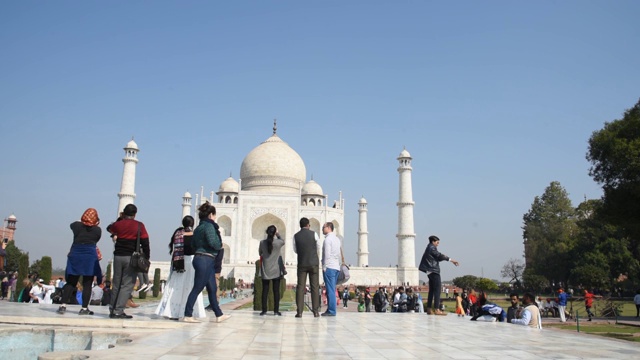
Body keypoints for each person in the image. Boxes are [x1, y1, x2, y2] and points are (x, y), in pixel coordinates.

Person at [183, 202, 229, 323]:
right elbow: (213, 242)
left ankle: (219, 314)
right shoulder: (209, 226)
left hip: (202, 259)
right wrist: (219, 246)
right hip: (205, 260)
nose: (215, 217)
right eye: (214, 215)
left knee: (212, 288)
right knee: (197, 288)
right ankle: (187, 314)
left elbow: (193, 244)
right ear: (210, 215)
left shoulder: (198, 227)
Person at [156, 216, 206, 320]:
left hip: (179, 262)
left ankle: (172, 312)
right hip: (191, 262)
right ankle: (189, 312)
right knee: (191, 287)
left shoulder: (178, 234)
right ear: (193, 224)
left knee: (176, 287)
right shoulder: (196, 235)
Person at [57, 208, 103, 315]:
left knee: (71, 282)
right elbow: (96, 239)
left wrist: (83, 220)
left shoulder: (77, 227)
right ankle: (84, 308)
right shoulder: (97, 230)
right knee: (87, 284)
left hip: (76, 254)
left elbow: (73, 223)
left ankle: (63, 305)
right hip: (89, 256)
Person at [107, 204, 149, 319]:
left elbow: (109, 228)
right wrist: (146, 257)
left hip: (117, 256)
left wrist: (119, 223)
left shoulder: (118, 224)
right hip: (131, 257)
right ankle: (118, 310)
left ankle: (112, 309)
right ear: (135, 214)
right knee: (127, 285)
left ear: (124, 213)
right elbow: (145, 242)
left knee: (116, 283)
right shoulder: (139, 226)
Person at [418, 235, 459, 315]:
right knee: (437, 290)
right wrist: (451, 260)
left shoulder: (429, 248)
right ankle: (437, 309)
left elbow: (438, 258)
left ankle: (429, 309)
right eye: (437, 242)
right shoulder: (432, 248)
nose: (438, 244)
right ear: (433, 241)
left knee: (432, 290)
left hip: (429, 271)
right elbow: (439, 255)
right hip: (433, 270)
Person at [293, 217, 320, 318]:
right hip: (313, 263)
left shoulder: (296, 236)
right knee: (314, 287)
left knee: (300, 287)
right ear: (308, 225)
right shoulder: (314, 234)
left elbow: (295, 249)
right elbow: (318, 246)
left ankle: (299, 312)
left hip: (302, 264)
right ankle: (316, 311)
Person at [258, 225, 285, 316]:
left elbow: (260, 253)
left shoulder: (262, 242)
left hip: (266, 269)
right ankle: (276, 311)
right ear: (274, 233)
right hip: (276, 269)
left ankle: (264, 311)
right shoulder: (278, 243)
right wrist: (277, 233)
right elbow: (283, 241)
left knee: (265, 290)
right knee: (276, 291)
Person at [321, 222, 341, 317]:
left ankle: (332, 311)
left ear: (329, 228)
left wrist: (324, 267)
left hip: (330, 267)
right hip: (336, 267)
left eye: (323, 227)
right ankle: (330, 309)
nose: (322, 229)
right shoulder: (337, 239)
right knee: (331, 289)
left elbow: (327, 255)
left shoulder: (328, 239)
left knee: (330, 290)